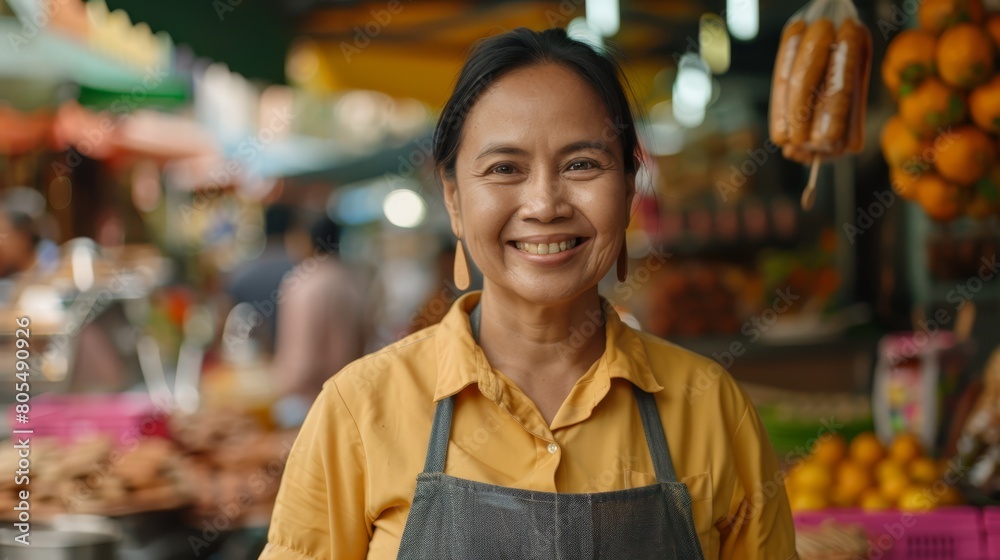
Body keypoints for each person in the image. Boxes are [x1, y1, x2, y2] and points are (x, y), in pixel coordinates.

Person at [261, 27, 797, 559]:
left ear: (630, 188)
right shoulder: (357, 411)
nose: (544, 204)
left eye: (582, 164)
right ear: (453, 199)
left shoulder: (713, 410)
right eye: (505, 169)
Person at [270, 214, 366, 426]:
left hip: (308, 402)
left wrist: (279, 386)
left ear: (306, 239)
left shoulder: (303, 283)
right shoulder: (352, 280)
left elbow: (301, 363)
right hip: (349, 397)